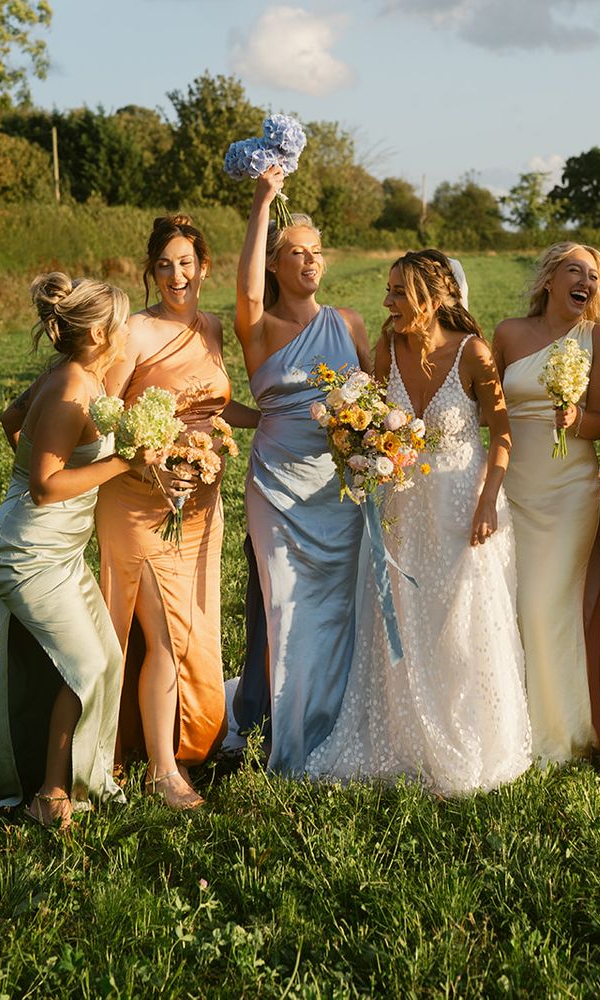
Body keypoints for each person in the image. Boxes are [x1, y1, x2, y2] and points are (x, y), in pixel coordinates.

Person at [306, 249, 532, 794]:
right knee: (404, 618)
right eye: (388, 290)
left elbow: (502, 434)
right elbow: (374, 417)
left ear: (429, 300)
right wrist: (360, 442)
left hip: (461, 504)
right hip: (402, 507)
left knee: (459, 622)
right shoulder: (388, 347)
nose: (387, 302)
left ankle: (468, 734)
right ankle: (405, 737)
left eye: (398, 292)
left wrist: (487, 500)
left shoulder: (473, 353)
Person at [95, 215, 258, 810]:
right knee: (163, 633)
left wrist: (274, 418)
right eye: (164, 265)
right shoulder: (134, 332)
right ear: (151, 271)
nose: (176, 275)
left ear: (203, 267)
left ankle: (167, 743)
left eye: (186, 262)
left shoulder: (211, 327)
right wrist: (150, 465)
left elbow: (214, 405)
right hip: (138, 500)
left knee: (191, 629)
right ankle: (161, 772)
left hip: (199, 505)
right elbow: (105, 415)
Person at [0, 273, 158, 829]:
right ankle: (51, 794)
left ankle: (84, 776)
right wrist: (122, 463)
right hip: (29, 553)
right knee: (86, 665)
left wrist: (30, 464)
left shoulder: (74, 377)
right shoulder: (69, 392)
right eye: (123, 323)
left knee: (106, 657)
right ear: (101, 333)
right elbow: (44, 487)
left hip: (58, 552)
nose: (128, 331)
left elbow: (12, 420)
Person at [225, 167, 370, 774]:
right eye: (297, 252)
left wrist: (378, 441)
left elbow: (378, 398)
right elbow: (247, 291)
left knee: (336, 607)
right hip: (278, 487)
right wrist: (263, 201)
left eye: (316, 252)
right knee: (285, 604)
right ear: (274, 264)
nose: (310, 261)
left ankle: (332, 721)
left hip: (339, 488)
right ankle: (280, 735)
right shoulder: (259, 327)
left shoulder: (350, 322)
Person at [493, 243, 600, 764]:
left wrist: (576, 419)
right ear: (549, 279)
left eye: (595, 277)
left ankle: (559, 736)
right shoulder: (507, 334)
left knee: (545, 605)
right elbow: (487, 409)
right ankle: (510, 724)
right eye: (576, 271)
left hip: (570, 491)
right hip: (513, 487)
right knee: (509, 603)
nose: (586, 282)